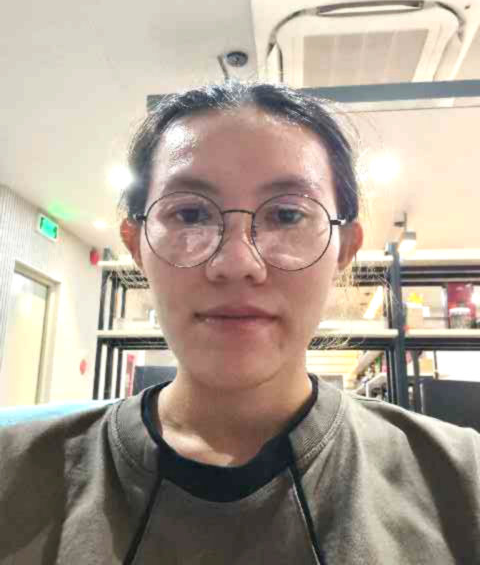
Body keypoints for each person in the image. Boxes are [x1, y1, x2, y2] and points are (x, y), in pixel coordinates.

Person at [0, 81, 478, 565]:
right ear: (136, 246)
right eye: (190, 214)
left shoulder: (462, 483)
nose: (236, 263)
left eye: (287, 215)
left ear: (345, 250)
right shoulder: (14, 477)